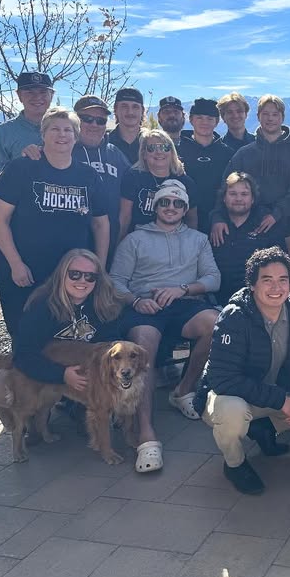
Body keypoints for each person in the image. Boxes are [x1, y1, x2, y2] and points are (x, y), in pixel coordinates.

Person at [195, 246, 290, 494]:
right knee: (232, 413)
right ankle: (234, 465)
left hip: (272, 391)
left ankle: (266, 428)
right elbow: (223, 379)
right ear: (252, 285)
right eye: (267, 280)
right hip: (230, 396)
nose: (276, 288)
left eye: (283, 280)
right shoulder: (234, 317)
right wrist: (283, 401)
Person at [110, 180, 221, 472]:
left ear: (185, 209)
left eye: (177, 203)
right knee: (142, 344)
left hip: (183, 304)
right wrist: (135, 301)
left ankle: (183, 390)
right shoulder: (134, 239)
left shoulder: (198, 239)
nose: (171, 208)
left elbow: (213, 278)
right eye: (165, 202)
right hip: (145, 307)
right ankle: (146, 433)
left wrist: (183, 288)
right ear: (155, 206)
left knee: (216, 323)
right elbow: (115, 281)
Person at [0, 108, 109, 343]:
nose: (61, 135)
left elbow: (101, 225)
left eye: (68, 130)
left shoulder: (88, 176)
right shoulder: (20, 169)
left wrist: (99, 270)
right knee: (25, 339)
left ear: (76, 137)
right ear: (43, 134)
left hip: (73, 277)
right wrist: (15, 263)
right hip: (26, 272)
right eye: (54, 128)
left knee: (68, 341)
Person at [213, 94, 290, 301]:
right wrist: (218, 217)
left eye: (275, 114)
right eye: (265, 114)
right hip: (255, 229)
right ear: (257, 116)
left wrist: (276, 214)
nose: (270, 118)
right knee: (260, 282)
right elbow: (225, 188)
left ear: (282, 117)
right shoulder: (244, 153)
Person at [10, 249, 122, 388]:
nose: (82, 281)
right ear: (62, 274)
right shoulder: (41, 306)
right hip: (43, 377)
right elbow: (23, 354)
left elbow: (110, 346)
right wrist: (61, 374)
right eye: (74, 274)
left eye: (90, 276)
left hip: (88, 378)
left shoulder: (105, 304)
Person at [211, 172, 286, 303]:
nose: (238, 199)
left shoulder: (266, 225)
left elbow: (280, 265)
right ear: (224, 198)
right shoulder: (213, 226)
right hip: (216, 300)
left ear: (252, 199)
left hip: (256, 300)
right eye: (233, 194)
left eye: (244, 194)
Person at [72, 95, 130, 261]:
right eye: (87, 119)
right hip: (70, 245)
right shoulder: (63, 149)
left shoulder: (116, 155)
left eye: (100, 121)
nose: (94, 125)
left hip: (109, 245)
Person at [119, 128, 198, 238]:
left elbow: (192, 220)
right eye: (152, 148)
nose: (159, 152)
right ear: (144, 154)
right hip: (139, 242)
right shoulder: (133, 177)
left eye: (164, 147)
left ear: (172, 152)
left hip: (174, 240)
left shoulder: (185, 182)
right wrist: (119, 245)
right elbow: (125, 217)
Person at [0, 71, 54, 186]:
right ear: (19, 96)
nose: (37, 97)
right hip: (21, 202)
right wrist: (22, 163)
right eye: (29, 92)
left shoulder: (66, 130)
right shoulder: (2, 133)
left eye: (43, 92)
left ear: (52, 95)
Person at [177, 98, 233, 236]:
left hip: (218, 222)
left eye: (209, 118)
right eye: (199, 117)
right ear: (191, 119)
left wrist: (220, 217)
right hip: (181, 220)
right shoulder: (178, 151)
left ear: (217, 121)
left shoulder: (227, 153)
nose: (204, 122)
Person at [107, 87, 146, 165]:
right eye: (124, 106)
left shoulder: (151, 143)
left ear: (142, 111)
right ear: (115, 109)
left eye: (135, 107)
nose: (130, 112)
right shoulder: (105, 143)